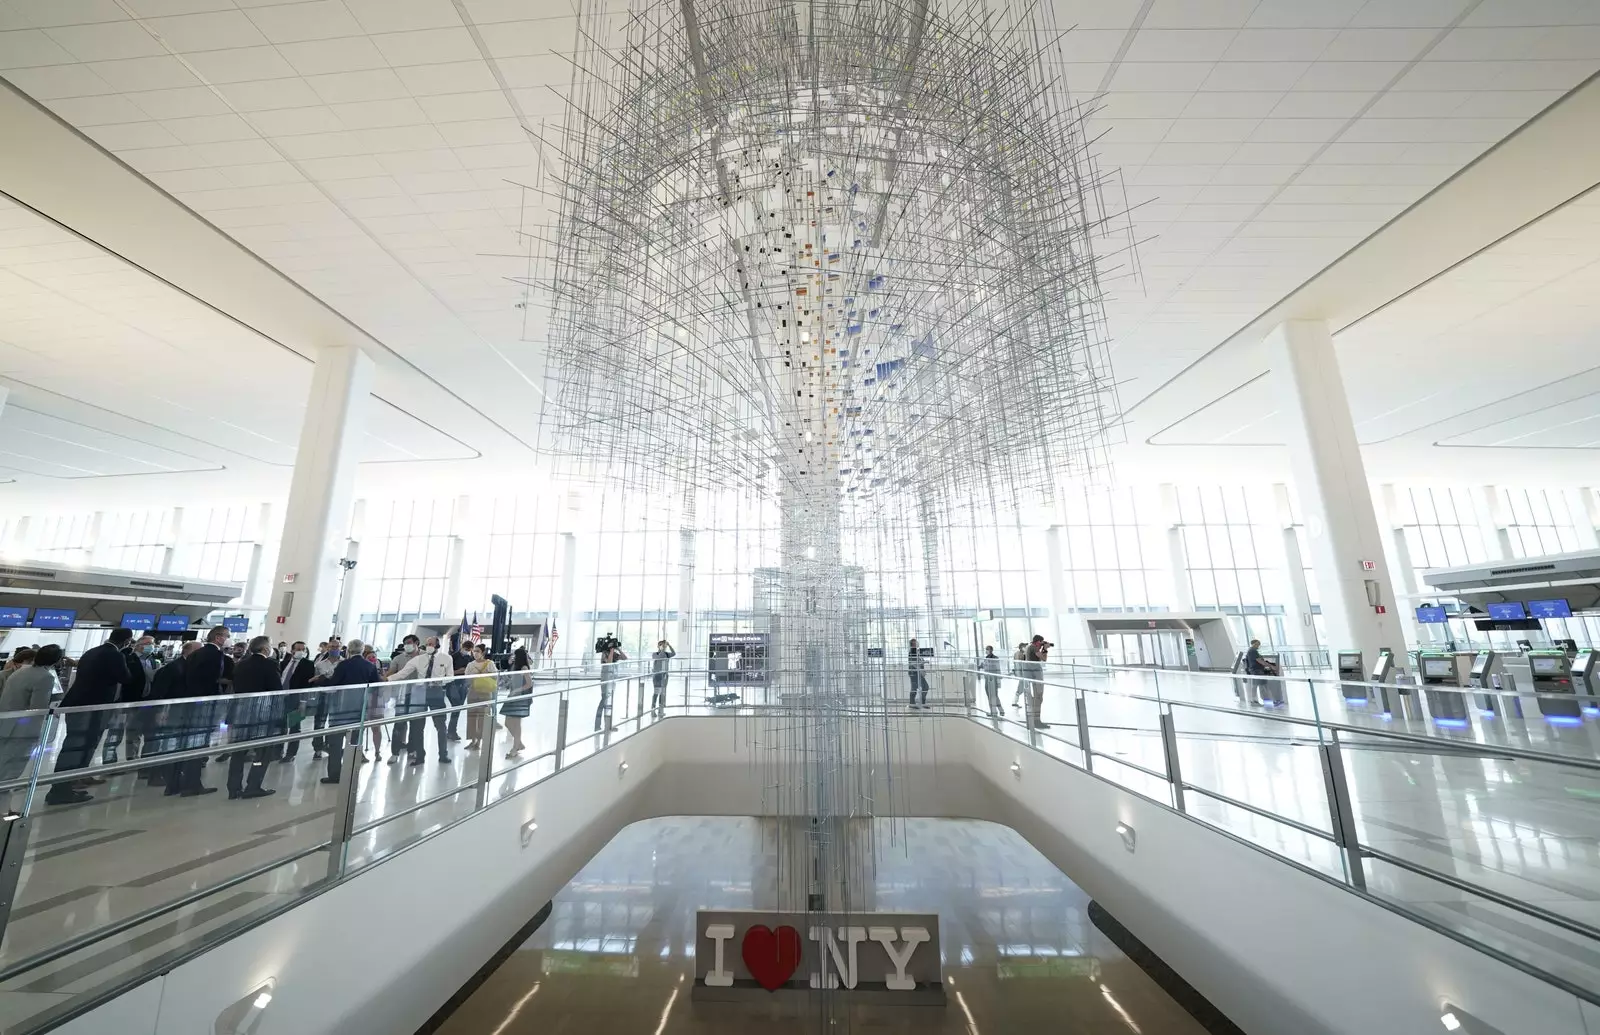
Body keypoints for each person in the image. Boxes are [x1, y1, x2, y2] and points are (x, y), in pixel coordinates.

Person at [47, 627, 134, 804]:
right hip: (92, 706)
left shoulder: (92, 651)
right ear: (126, 641)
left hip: (78, 703)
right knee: (78, 745)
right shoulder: (115, 655)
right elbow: (126, 678)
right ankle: (60, 790)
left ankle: (71, 782)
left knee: (76, 744)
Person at [225, 636, 280, 799]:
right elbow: (276, 689)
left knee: (238, 751)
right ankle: (253, 786)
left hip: (240, 711)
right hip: (261, 712)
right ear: (265, 649)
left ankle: (233, 788)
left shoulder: (241, 664)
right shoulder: (270, 664)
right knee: (262, 751)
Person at [321, 639, 382, 785]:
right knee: (355, 743)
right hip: (359, 709)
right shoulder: (369, 666)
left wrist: (322, 680)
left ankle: (335, 774)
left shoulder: (343, 665)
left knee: (335, 743)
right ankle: (352, 773)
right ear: (362, 651)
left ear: (348, 650)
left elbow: (334, 684)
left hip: (340, 709)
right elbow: (376, 687)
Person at [388, 636, 455, 767]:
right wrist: (387, 679)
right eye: (427, 644)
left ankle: (443, 754)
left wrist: (441, 680)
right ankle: (420, 756)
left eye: (431, 644)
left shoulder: (446, 658)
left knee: (440, 726)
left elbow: (451, 676)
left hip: (436, 693)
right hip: (419, 693)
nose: (429, 646)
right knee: (418, 727)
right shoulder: (418, 660)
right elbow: (402, 673)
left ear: (437, 645)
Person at [0, 647, 60, 786]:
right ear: (56, 661)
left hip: (6, 725)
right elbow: (38, 708)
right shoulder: (45, 677)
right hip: (22, 730)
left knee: (3, 765)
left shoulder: (21, 671)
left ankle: (5, 806)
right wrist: (51, 711)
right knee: (12, 771)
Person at [103, 634, 155, 765]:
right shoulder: (127, 658)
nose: (151, 646)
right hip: (125, 701)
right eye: (148, 643)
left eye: (152, 644)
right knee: (116, 733)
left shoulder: (151, 660)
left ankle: (132, 759)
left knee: (135, 732)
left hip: (142, 701)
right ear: (139, 645)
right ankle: (109, 761)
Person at [278, 641, 317, 762]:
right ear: (292, 650)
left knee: (294, 727)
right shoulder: (285, 662)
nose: (300, 651)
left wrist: (303, 701)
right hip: (281, 698)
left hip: (296, 699)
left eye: (303, 649)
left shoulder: (308, 665)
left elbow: (307, 685)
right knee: (280, 726)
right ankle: (278, 751)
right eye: (298, 649)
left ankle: (291, 754)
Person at [463, 643, 499, 750]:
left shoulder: (489, 663)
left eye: (478, 651)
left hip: (485, 692)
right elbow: (466, 678)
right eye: (474, 651)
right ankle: (472, 740)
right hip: (473, 691)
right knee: (471, 716)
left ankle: (479, 741)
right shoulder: (470, 665)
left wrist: (482, 677)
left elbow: (495, 676)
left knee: (483, 717)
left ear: (483, 652)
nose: (475, 653)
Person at [500, 647, 533, 757]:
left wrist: (517, 690)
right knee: (508, 722)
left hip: (520, 697)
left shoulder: (524, 667)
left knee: (516, 723)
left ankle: (515, 746)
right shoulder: (515, 667)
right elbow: (513, 680)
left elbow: (529, 683)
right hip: (513, 695)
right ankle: (518, 743)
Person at [595, 642, 628, 732]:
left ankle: (608, 725)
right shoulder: (604, 654)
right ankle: (597, 725)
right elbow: (609, 662)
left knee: (609, 703)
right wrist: (611, 651)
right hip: (606, 680)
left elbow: (625, 658)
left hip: (612, 680)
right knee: (603, 702)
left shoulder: (615, 654)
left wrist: (618, 649)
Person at [447, 638, 474, 742]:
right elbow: (447, 673)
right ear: (462, 647)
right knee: (456, 708)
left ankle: (451, 731)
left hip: (464, 686)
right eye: (466, 649)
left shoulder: (470, 658)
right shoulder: (453, 657)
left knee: (457, 709)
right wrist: (459, 671)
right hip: (453, 685)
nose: (467, 651)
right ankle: (451, 731)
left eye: (469, 649)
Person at [1025, 636, 1052, 729]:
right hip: (1035, 674)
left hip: (1031, 673)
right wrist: (1044, 649)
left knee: (1036, 698)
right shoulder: (1033, 647)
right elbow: (1044, 659)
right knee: (1038, 697)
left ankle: (1034, 719)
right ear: (1038, 642)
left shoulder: (1030, 647)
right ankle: (1036, 720)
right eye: (1041, 642)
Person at [649, 640, 675, 713]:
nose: (663, 647)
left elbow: (674, 653)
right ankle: (653, 707)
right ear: (658, 646)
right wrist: (662, 650)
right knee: (656, 691)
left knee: (662, 692)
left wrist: (669, 645)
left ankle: (661, 708)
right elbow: (659, 657)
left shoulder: (667, 654)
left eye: (664, 645)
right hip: (657, 675)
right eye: (661, 645)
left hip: (665, 675)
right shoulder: (655, 654)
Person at [979, 645, 1004, 717]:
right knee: (989, 695)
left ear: (991, 650)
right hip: (987, 679)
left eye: (987, 649)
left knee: (994, 695)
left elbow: (998, 668)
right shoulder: (986, 658)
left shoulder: (995, 658)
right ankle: (997, 710)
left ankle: (997, 710)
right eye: (986, 649)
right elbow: (984, 666)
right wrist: (980, 666)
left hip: (994, 679)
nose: (986, 650)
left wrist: (999, 679)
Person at [906, 638, 930, 709]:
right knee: (915, 688)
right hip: (914, 673)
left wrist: (923, 662)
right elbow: (914, 663)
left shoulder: (917, 651)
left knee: (924, 687)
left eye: (916, 642)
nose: (916, 644)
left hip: (918, 672)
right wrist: (921, 668)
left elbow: (918, 661)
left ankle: (921, 702)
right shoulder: (912, 651)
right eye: (914, 643)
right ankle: (912, 703)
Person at [1012, 643, 1029, 708]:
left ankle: (1015, 701)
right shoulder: (1020, 654)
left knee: (1023, 686)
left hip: (1020, 673)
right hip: (1022, 673)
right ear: (1021, 647)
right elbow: (1022, 663)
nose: (1025, 648)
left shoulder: (1016, 653)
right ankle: (1015, 701)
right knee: (1023, 687)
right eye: (1024, 646)